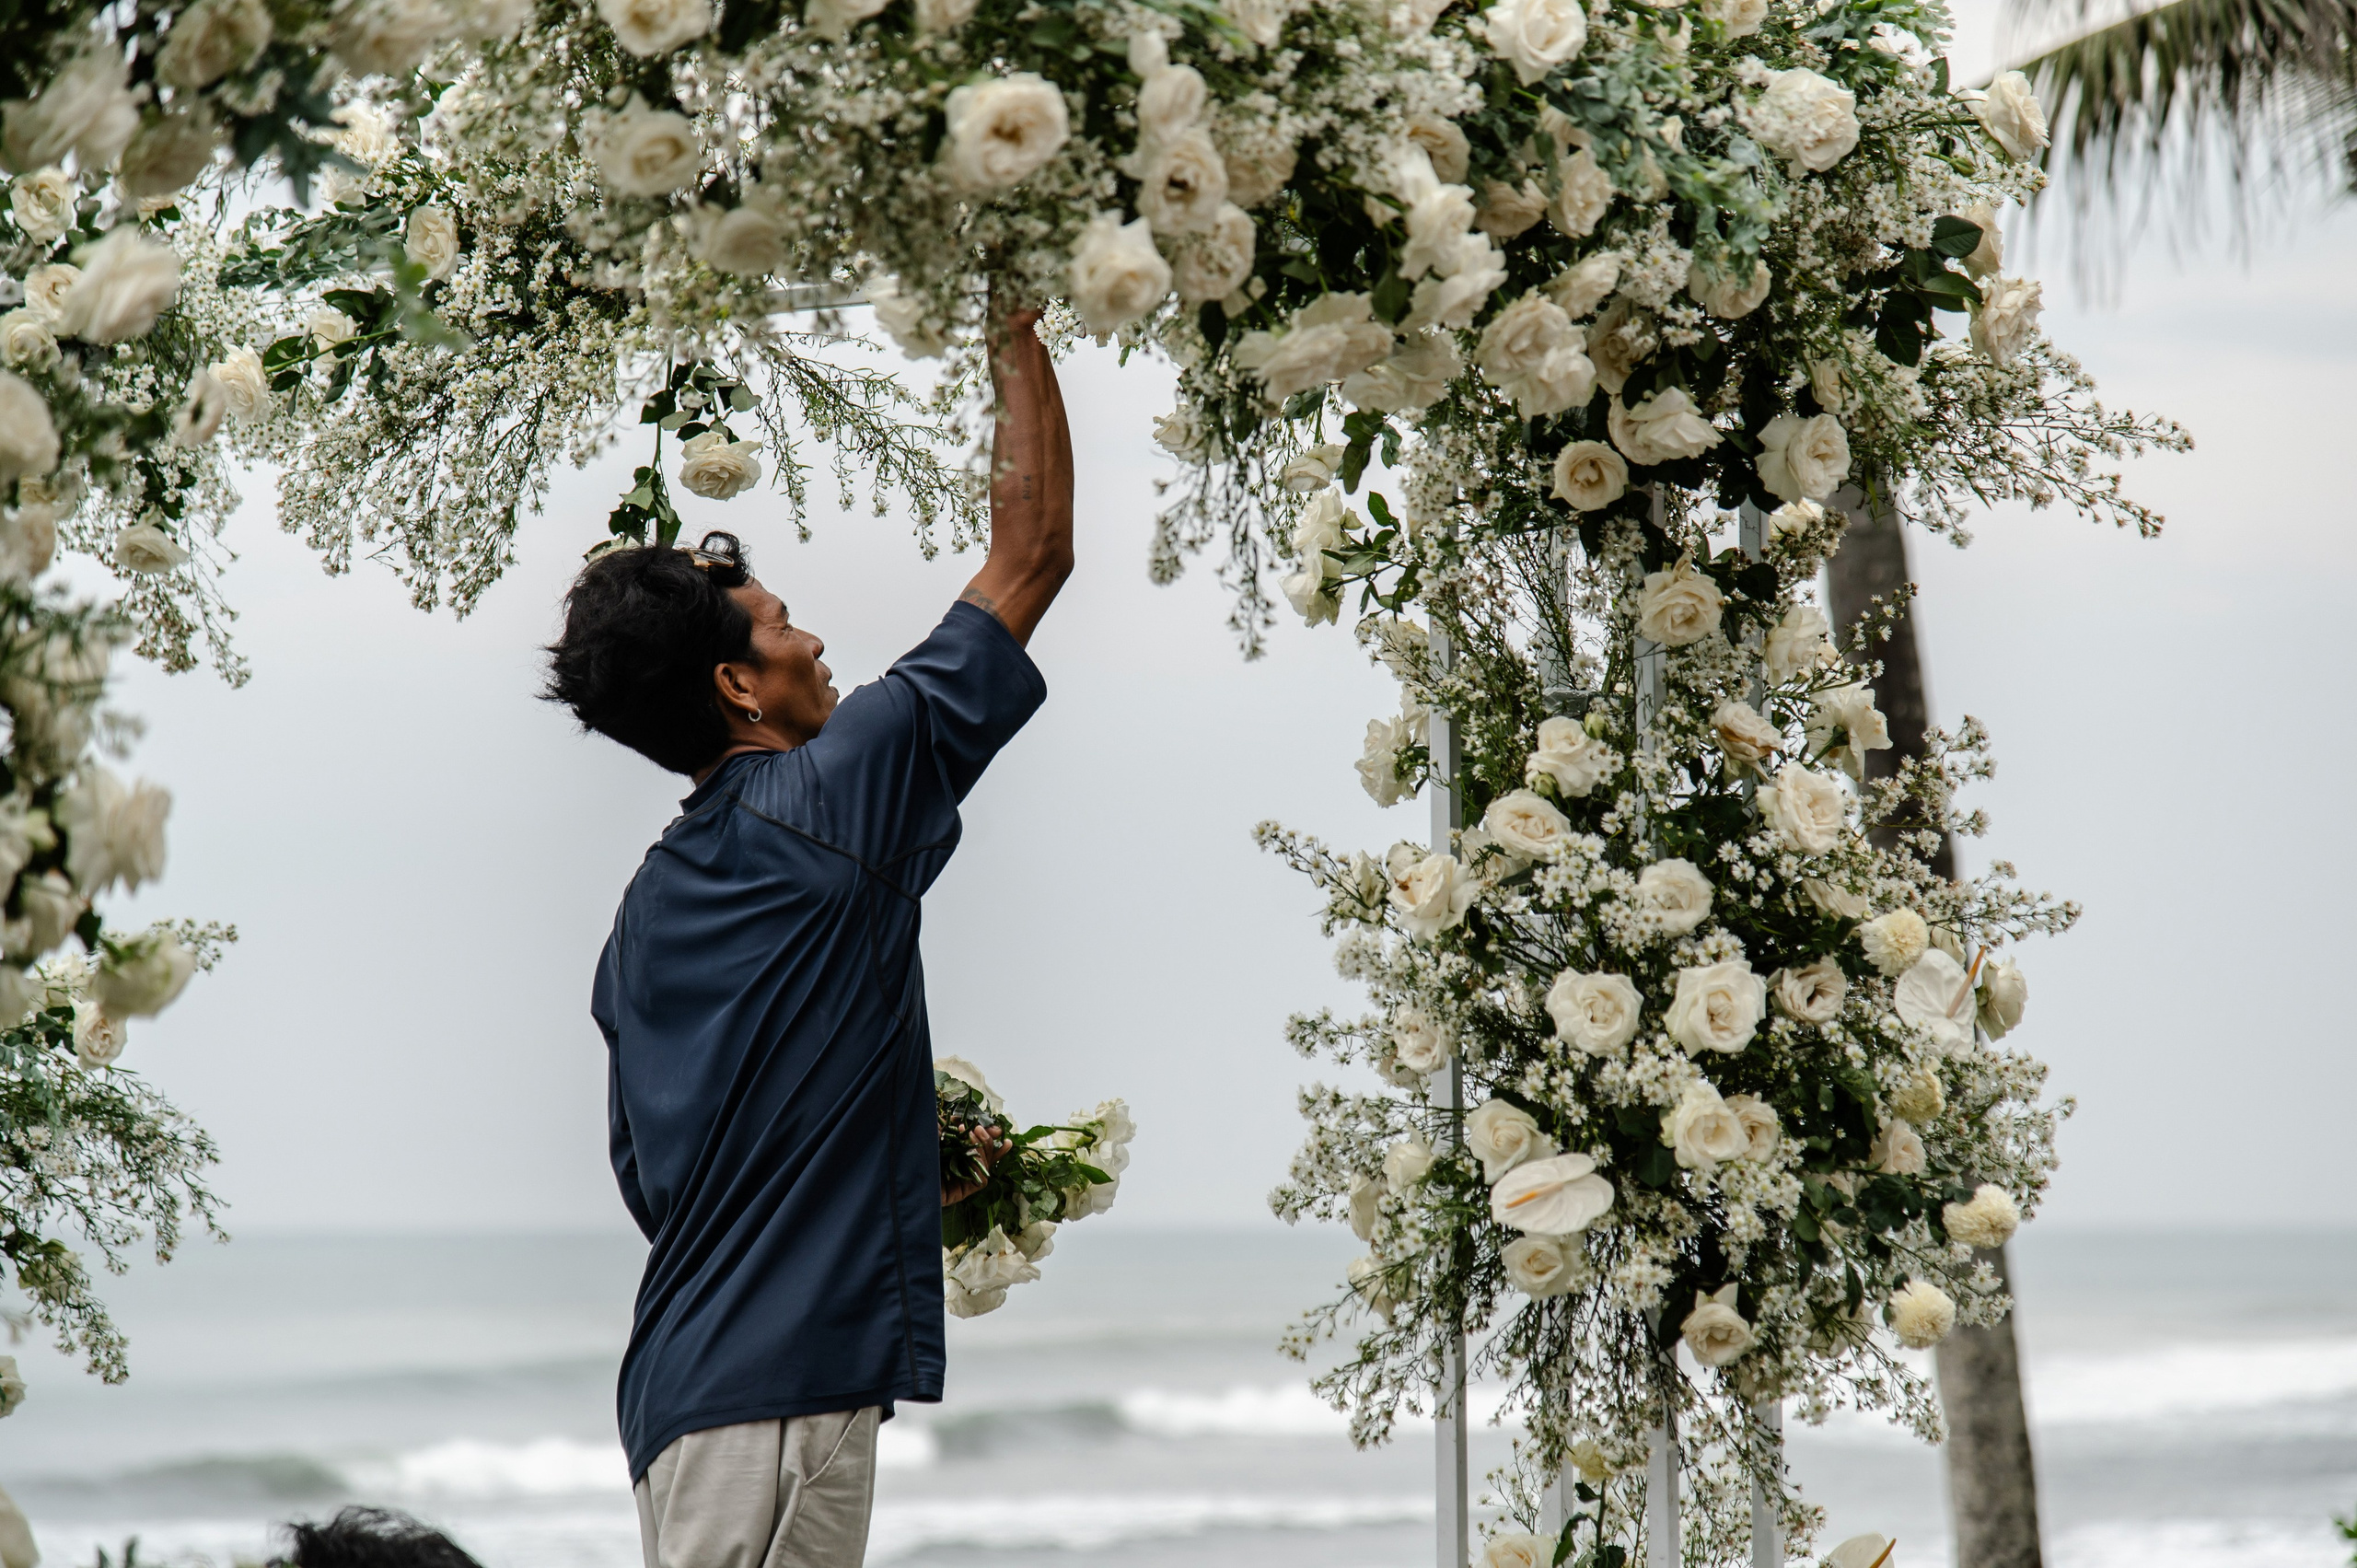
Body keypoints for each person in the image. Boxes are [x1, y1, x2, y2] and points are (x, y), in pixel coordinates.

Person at [542, 308, 1073, 1568]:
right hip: (774, 1390)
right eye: (783, 625)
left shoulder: (639, 919)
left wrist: (884, 1156)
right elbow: (1035, 552)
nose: (816, 639)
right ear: (738, 684)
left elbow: (661, 1183)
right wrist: (1011, 323)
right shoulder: (834, 797)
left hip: (677, 1392)